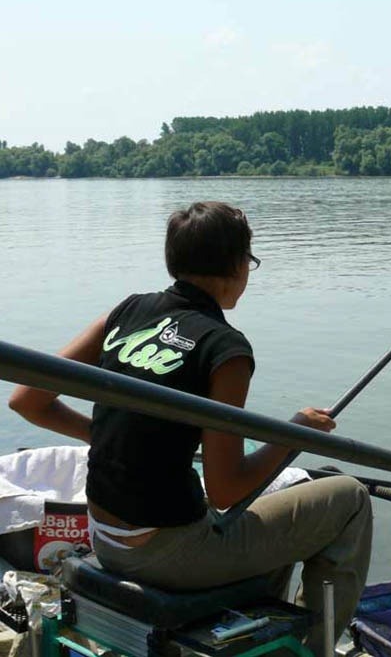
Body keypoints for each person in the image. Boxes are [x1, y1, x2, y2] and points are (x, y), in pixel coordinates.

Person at [8, 201, 372, 655]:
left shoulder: (127, 312)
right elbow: (226, 491)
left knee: (271, 510)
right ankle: (313, 648)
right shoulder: (225, 349)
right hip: (168, 552)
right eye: (249, 261)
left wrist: (99, 436)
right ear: (236, 264)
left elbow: (26, 399)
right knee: (349, 496)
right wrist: (293, 433)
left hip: (102, 536)